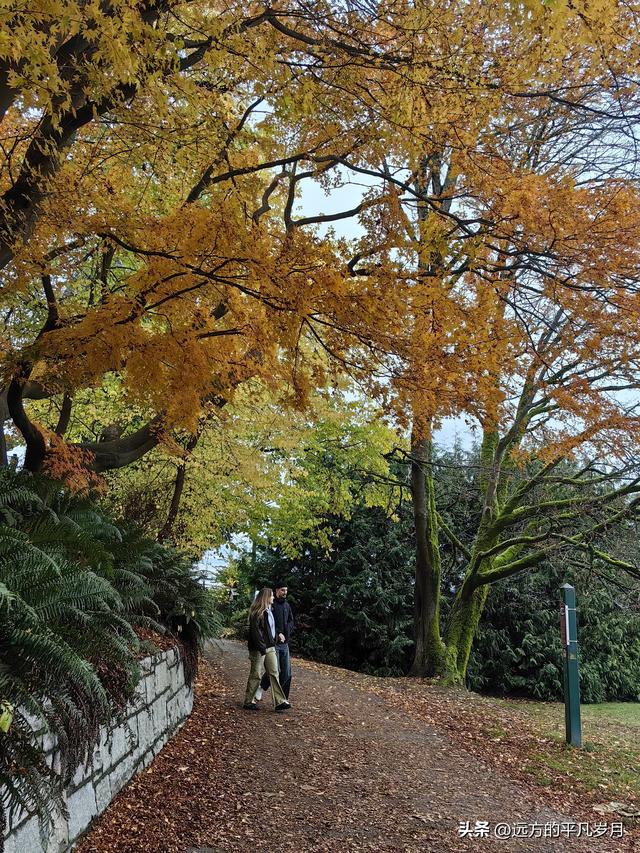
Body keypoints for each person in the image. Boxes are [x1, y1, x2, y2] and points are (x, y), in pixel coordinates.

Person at [243, 587, 290, 712]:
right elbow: (256, 634)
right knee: (256, 674)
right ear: (266, 598)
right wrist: (262, 648)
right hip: (258, 649)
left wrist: (274, 642)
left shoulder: (269, 611)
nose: (273, 597)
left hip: (270, 647)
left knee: (275, 672)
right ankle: (249, 701)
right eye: (271, 596)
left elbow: (271, 630)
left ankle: (279, 702)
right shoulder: (257, 613)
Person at [255, 581, 294, 702]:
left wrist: (287, 631)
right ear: (276, 591)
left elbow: (291, 621)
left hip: (285, 644)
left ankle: (283, 699)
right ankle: (262, 687)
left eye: (286, 590)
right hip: (273, 643)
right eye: (282, 590)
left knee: (287, 673)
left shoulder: (287, 606)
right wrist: (278, 634)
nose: (284, 593)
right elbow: (268, 624)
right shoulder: (270, 606)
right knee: (274, 670)